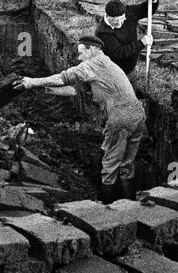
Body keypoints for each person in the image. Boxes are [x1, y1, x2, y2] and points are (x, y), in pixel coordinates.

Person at [14, 35, 146, 201]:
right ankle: (131, 204)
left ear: (91, 50)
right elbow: (75, 90)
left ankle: (109, 208)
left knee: (109, 166)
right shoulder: (106, 65)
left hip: (120, 118)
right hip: (138, 115)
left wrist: (32, 82)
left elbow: (63, 77)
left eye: (81, 53)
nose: (79, 58)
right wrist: (46, 89)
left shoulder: (92, 64)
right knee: (126, 164)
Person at [95, 0, 158, 80]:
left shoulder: (129, 13)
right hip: (115, 75)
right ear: (107, 16)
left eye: (122, 19)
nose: (119, 23)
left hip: (131, 69)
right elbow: (118, 52)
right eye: (115, 21)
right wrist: (142, 43)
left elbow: (146, 9)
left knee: (133, 90)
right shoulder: (103, 32)